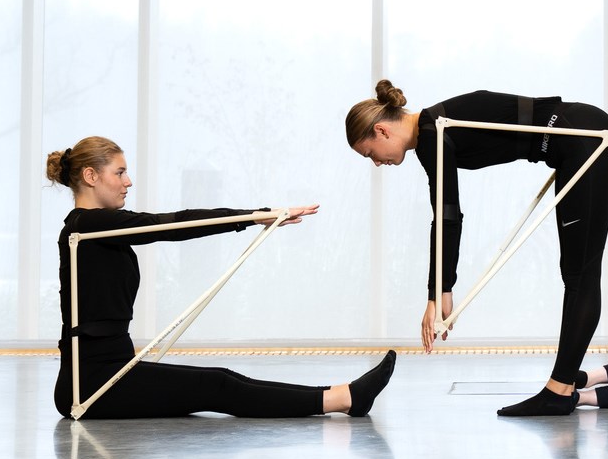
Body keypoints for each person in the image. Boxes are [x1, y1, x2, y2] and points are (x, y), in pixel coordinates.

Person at [49, 136, 396, 419]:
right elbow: (174, 224)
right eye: (119, 173)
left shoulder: (97, 228)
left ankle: (343, 396)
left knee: (220, 380)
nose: (128, 182)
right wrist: (257, 215)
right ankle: (344, 398)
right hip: (93, 385)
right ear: (92, 176)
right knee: (217, 385)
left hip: (109, 371)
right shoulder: (87, 226)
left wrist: (258, 216)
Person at [345, 81, 608, 416]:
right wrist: (440, 288)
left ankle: (560, 390)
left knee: (580, 274)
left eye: (369, 153)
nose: (376, 163)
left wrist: (439, 291)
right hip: (578, 138)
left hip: (589, 138)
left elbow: (447, 217)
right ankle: (561, 388)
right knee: (576, 273)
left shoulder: (434, 130)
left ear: (381, 131)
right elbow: (445, 213)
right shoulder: (432, 132)